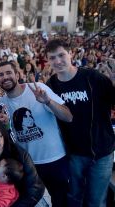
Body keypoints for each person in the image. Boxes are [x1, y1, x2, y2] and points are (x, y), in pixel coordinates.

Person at [45, 39, 115, 207]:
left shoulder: (93, 77)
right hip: (73, 154)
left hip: (102, 153)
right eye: (52, 57)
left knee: (96, 201)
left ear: (71, 54)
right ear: (48, 61)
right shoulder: (51, 86)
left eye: (61, 55)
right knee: (74, 198)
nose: (58, 61)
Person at [0, 61, 73, 207]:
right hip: (28, 166)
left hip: (55, 161)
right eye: (1, 74)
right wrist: (5, 126)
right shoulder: (0, 104)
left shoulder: (38, 89)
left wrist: (48, 101)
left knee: (62, 202)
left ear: (17, 74)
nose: (5, 77)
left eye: (8, 73)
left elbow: (68, 116)